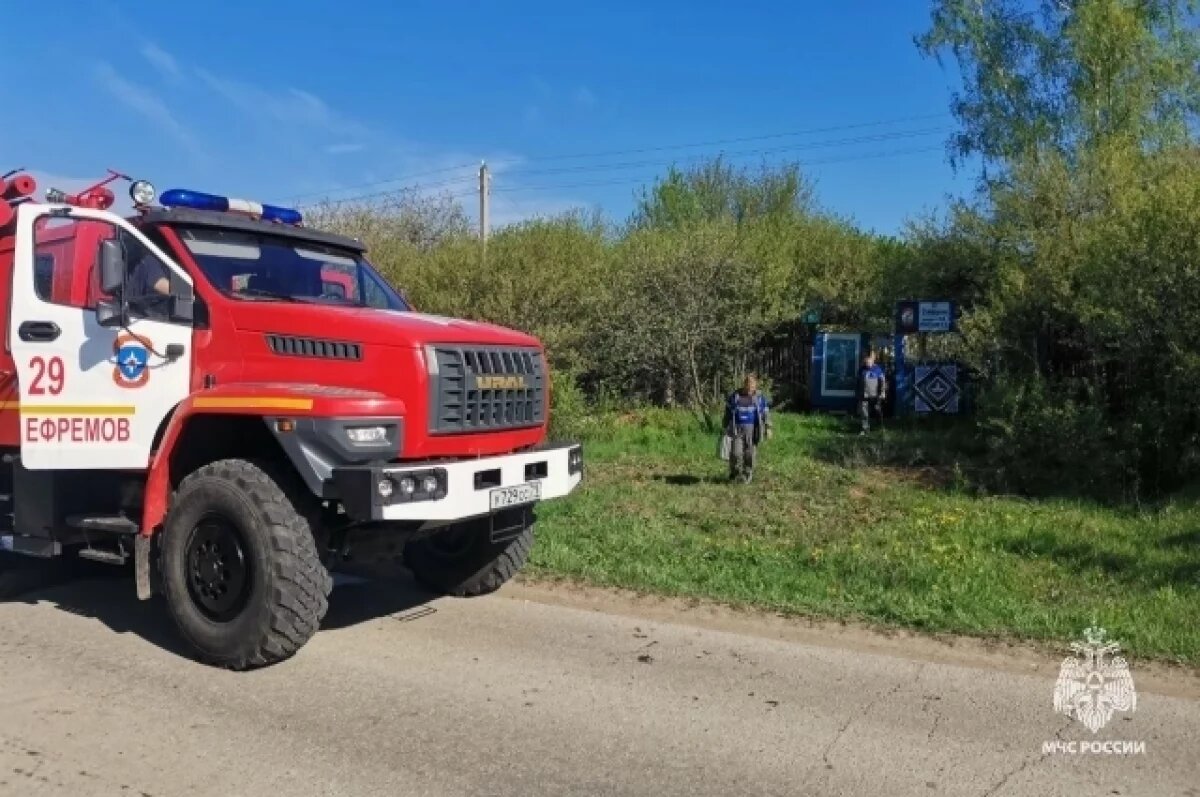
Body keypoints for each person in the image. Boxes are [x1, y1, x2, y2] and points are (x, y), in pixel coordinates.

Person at [723, 374, 772, 483]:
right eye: (748, 384)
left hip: (753, 430)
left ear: (755, 385)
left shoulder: (759, 398)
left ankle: (747, 473)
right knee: (735, 453)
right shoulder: (735, 397)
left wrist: (768, 427)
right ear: (744, 384)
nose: (750, 387)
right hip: (737, 430)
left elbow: (766, 413)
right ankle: (734, 473)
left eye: (752, 384)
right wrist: (725, 427)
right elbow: (728, 413)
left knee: (749, 454)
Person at [857, 351, 887, 435]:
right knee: (864, 412)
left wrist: (882, 393)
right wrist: (858, 393)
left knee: (877, 410)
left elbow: (883, 381)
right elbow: (858, 382)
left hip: (875, 395)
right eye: (865, 362)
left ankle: (879, 427)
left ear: (873, 360)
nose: (867, 363)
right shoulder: (861, 369)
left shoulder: (878, 369)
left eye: (869, 361)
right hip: (864, 395)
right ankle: (865, 429)